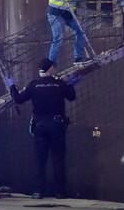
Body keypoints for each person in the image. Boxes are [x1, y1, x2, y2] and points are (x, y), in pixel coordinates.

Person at [8, 58, 76, 199]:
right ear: (50, 69)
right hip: (57, 125)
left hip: (40, 125)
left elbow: (19, 99)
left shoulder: (34, 85)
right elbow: (71, 97)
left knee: (40, 159)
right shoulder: (59, 84)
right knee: (58, 159)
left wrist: (12, 86)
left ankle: (38, 191)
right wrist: (71, 84)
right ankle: (60, 192)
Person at [47, 0, 112, 66]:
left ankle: (78, 57)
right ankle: (50, 65)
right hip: (56, 13)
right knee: (58, 37)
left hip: (67, 13)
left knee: (81, 31)